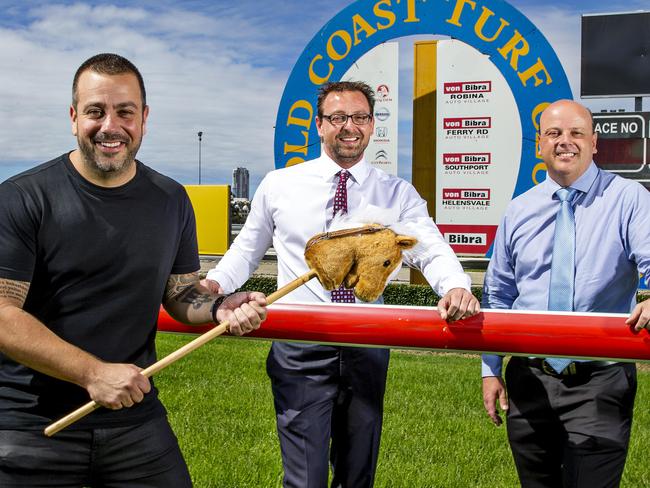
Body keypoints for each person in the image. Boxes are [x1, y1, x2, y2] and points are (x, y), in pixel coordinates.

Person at [0, 53, 267, 487]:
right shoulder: (22, 198)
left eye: (125, 111)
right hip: (30, 423)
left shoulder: (171, 199)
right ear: (73, 118)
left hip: (134, 417)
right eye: (95, 111)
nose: (111, 125)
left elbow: (181, 296)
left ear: (143, 119)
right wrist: (93, 374)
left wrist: (219, 306)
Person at [203, 80, 480, 488]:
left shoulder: (396, 194)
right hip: (300, 347)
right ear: (319, 125)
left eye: (359, 117)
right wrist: (213, 285)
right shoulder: (280, 185)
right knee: (305, 477)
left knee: (357, 474)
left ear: (371, 126)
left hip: (367, 345)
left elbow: (431, 248)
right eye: (337, 117)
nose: (349, 126)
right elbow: (245, 251)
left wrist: (455, 285)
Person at [481, 99, 650, 488]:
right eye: (554, 134)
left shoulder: (628, 199)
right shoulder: (519, 210)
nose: (565, 142)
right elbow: (498, 296)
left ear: (594, 143)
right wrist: (490, 369)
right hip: (529, 380)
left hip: (599, 382)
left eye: (576, 133)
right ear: (539, 144)